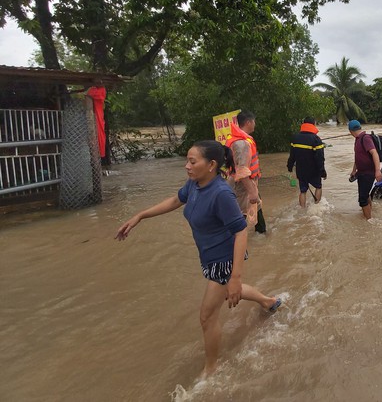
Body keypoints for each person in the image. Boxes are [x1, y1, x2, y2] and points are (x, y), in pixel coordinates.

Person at [115, 140, 281, 378]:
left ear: (211, 165)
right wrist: (140, 216)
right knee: (229, 291)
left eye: (192, 162)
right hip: (209, 255)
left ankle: (211, 370)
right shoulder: (194, 184)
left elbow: (241, 230)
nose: (187, 166)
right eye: (187, 160)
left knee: (207, 316)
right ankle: (268, 301)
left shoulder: (222, 193)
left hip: (223, 258)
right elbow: (175, 200)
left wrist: (235, 276)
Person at [226, 111, 266, 234]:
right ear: (248, 122)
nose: (255, 124)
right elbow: (242, 171)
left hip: (247, 182)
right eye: (254, 121)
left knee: (257, 207)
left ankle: (261, 233)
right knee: (241, 214)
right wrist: (252, 192)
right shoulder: (242, 143)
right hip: (243, 185)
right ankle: (237, 241)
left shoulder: (236, 139)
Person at [287, 117, 327, 207]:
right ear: (314, 124)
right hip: (314, 171)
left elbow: (292, 156)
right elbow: (320, 158)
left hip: (301, 170)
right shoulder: (316, 139)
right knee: (318, 187)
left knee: (303, 191)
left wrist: (289, 166)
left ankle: (302, 210)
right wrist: (322, 171)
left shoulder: (295, 138)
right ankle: (317, 207)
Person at [348, 120, 382, 219]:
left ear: (350, 131)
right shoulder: (358, 139)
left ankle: (368, 221)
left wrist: (377, 170)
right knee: (365, 194)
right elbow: (358, 157)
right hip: (361, 173)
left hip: (368, 173)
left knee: (362, 199)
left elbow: (374, 153)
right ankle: (369, 213)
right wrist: (354, 170)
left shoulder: (365, 138)